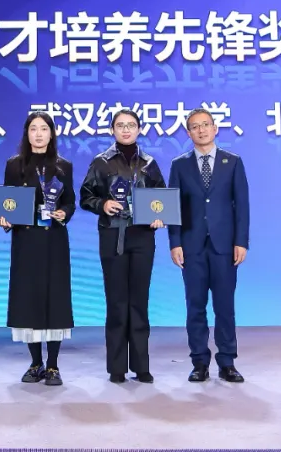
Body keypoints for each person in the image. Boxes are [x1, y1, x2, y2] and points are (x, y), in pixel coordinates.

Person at [79, 108, 167, 384]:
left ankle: (141, 366)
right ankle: (116, 367)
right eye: (120, 125)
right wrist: (103, 204)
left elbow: (162, 199)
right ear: (112, 130)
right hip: (112, 236)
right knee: (117, 302)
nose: (126, 129)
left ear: (139, 129)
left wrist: (159, 216)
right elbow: (85, 196)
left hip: (142, 237)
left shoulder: (149, 163)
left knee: (139, 302)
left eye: (131, 125)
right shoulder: (101, 162)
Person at [168, 108, 249, 384]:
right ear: (188, 133)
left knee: (225, 307)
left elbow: (242, 206)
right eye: (195, 126)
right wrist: (175, 242)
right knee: (195, 307)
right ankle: (199, 362)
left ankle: (227, 362)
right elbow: (173, 207)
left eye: (205, 125)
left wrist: (241, 241)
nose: (201, 130)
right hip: (191, 247)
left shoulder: (232, 162)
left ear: (215, 129)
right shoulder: (179, 165)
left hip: (224, 246)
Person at [0, 111, 76, 387]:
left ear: (51, 134)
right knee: (27, 299)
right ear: (26, 134)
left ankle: (53, 365)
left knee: (55, 300)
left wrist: (64, 213)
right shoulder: (14, 165)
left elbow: (70, 201)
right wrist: (5, 219)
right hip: (26, 241)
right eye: (33, 129)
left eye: (44, 129)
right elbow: (7, 202)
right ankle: (35, 363)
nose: (38, 134)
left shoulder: (64, 166)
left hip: (54, 241)